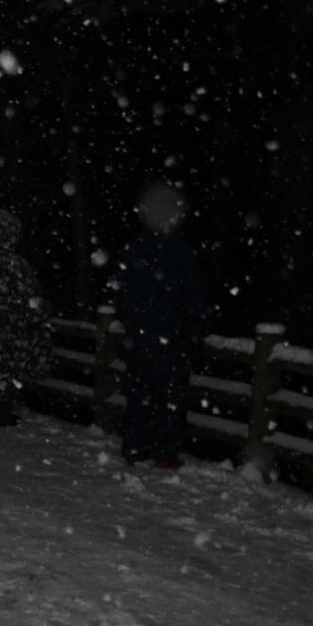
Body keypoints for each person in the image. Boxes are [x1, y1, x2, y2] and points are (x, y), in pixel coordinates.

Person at [113, 182, 206, 468]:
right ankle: (164, 451)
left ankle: (137, 446)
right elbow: (194, 296)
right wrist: (195, 329)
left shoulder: (134, 248)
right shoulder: (181, 252)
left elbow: (122, 292)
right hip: (172, 338)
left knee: (141, 394)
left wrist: (132, 323)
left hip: (141, 338)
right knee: (170, 398)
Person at [0, 208, 53, 425]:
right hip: (8, 330)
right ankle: (1, 412)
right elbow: (33, 300)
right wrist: (38, 319)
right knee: (4, 370)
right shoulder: (16, 265)